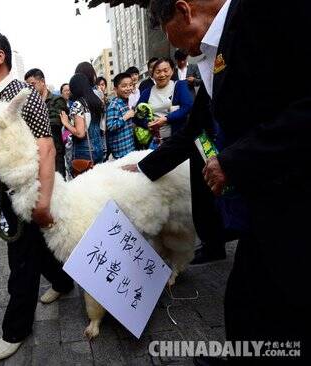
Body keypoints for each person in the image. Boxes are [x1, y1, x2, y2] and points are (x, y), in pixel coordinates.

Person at [131, 1, 311, 363]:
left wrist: (235, 160)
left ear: (184, 11)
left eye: (180, 43)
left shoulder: (266, 13)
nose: (184, 51)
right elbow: (195, 129)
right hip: (265, 198)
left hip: (297, 192)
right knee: (247, 295)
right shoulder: (215, 52)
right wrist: (143, 168)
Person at [0, 28, 73, 360]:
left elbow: (47, 148)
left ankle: (15, 330)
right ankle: (63, 282)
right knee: (37, 250)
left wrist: (42, 201)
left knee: (21, 262)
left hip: (31, 193)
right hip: (9, 193)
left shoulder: (22, 94)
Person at [134, 57, 193, 146]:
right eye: (158, 72)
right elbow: (137, 116)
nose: (162, 74)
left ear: (172, 71)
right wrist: (147, 124)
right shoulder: (147, 92)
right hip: (156, 143)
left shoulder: (179, 85)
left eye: (166, 70)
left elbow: (187, 107)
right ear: (152, 74)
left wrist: (166, 119)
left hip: (177, 139)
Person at [25, 68, 68, 178]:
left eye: (32, 84)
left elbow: (56, 123)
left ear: (42, 82)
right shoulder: (30, 105)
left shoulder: (57, 100)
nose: (30, 88)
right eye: (28, 86)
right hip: (37, 154)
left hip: (55, 151)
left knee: (59, 184)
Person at [60, 73, 105, 173]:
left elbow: (80, 133)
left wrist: (66, 123)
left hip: (85, 151)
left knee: (84, 185)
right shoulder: (97, 101)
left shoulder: (78, 104)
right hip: (99, 148)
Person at [106, 72, 136, 159]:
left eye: (130, 85)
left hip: (129, 147)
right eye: (124, 86)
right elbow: (110, 126)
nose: (128, 88)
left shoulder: (125, 102)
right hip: (121, 152)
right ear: (115, 89)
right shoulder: (114, 105)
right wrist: (125, 117)